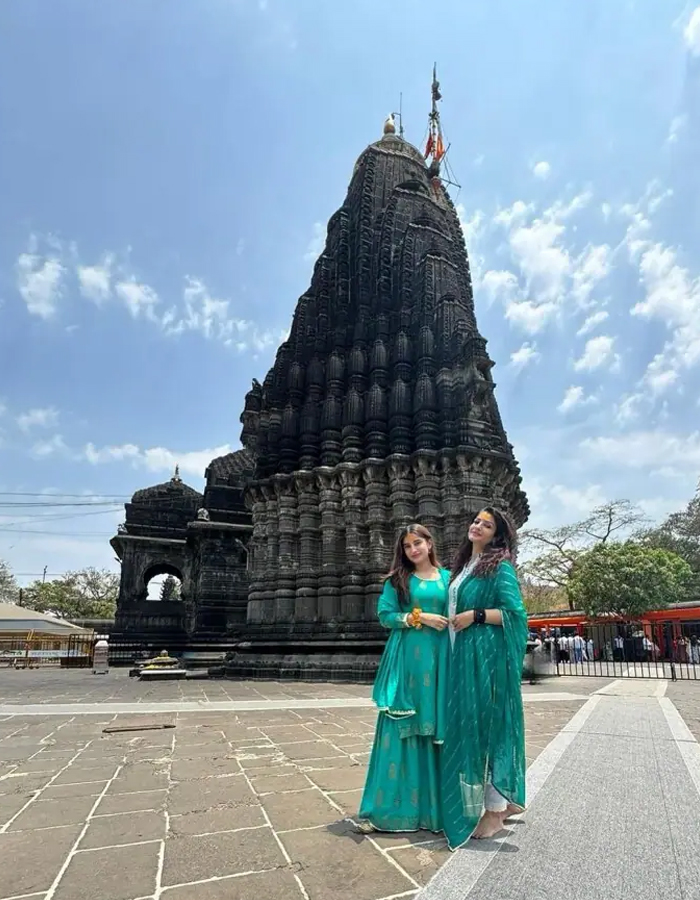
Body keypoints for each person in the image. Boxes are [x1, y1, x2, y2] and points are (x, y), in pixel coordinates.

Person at [441, 507, 528, 848]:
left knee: (488, 729)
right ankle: (507, 799)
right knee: (473, 727)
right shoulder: (463, 568)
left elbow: (515, 614)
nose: (477, 526)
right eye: (476, 520)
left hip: (486, 660)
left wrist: (475, 615)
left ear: (497, 535)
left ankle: (494, 811)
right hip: (462, 657)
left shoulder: (499, 567)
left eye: (486, 524)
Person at [357, 524, 450, 834]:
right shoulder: (398, 581)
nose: (413, 549)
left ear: (429, 543)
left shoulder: (448, 579)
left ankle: (438, 809)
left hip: (442, 660)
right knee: (404, 728)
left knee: (438, 726)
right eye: (408, 546)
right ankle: (395, 809)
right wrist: (417, 617)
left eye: (418, 542)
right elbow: (385, 615)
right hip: (409, 659)